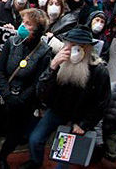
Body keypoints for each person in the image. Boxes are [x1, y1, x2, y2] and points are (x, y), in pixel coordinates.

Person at [21, 26, 111, 169]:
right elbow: (41, 91)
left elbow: (102, 103)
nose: (75, 49)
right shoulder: (58, 61)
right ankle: (35, 162)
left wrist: (84, 124)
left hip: (78, 119)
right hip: (57, 111)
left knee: (63, 161)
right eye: (72, 44)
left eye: (80, 46)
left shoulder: (99, 71)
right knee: (35, 139)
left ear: (87, 48)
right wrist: (53, 67)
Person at [0, 9, 51, 169]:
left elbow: (38, 81)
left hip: (24, 101)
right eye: (23, 22)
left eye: (28, 24)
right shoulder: (11, 42)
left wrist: (20, 99)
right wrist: (7, 94)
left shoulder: (44, 51)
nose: (22, 26)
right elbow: (0, 70)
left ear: (38, 29)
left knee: (14, 134)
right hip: (5, 96)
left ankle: (2, 157)